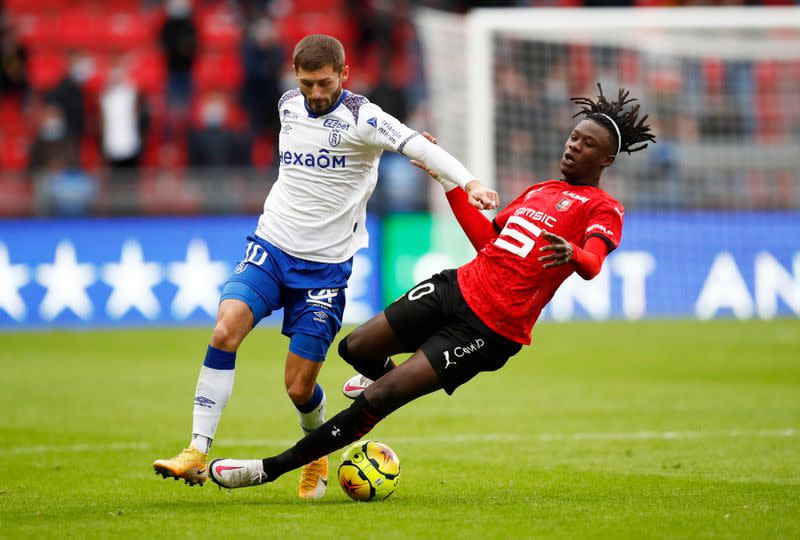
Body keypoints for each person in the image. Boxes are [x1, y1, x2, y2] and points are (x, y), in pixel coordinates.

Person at [202, 84, 656, 491]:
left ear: (607, 160)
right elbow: (487, 242)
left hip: (490, 329)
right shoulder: (538, 191)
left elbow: (593, 264)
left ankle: (267, 469)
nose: (574, 146)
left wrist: (573, 253)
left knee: (381, 398)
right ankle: (389, 379)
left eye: (588, 144)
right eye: (574, 137)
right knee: (355, 347)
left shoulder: (604, 207)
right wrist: (447, 183)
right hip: (456, 287)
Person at [152, 34, 496, 500]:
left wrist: (470, 182)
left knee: (297, 389)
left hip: (325, 270)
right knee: (224, 330)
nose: (315, 93)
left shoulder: (365, 118)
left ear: (344, 74)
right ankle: (196, 450)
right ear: (295, 77)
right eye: (308, 82)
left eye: (325, 83)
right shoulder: (287, 105)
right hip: (271, 247)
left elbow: (421, 147)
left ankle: (316, 453)